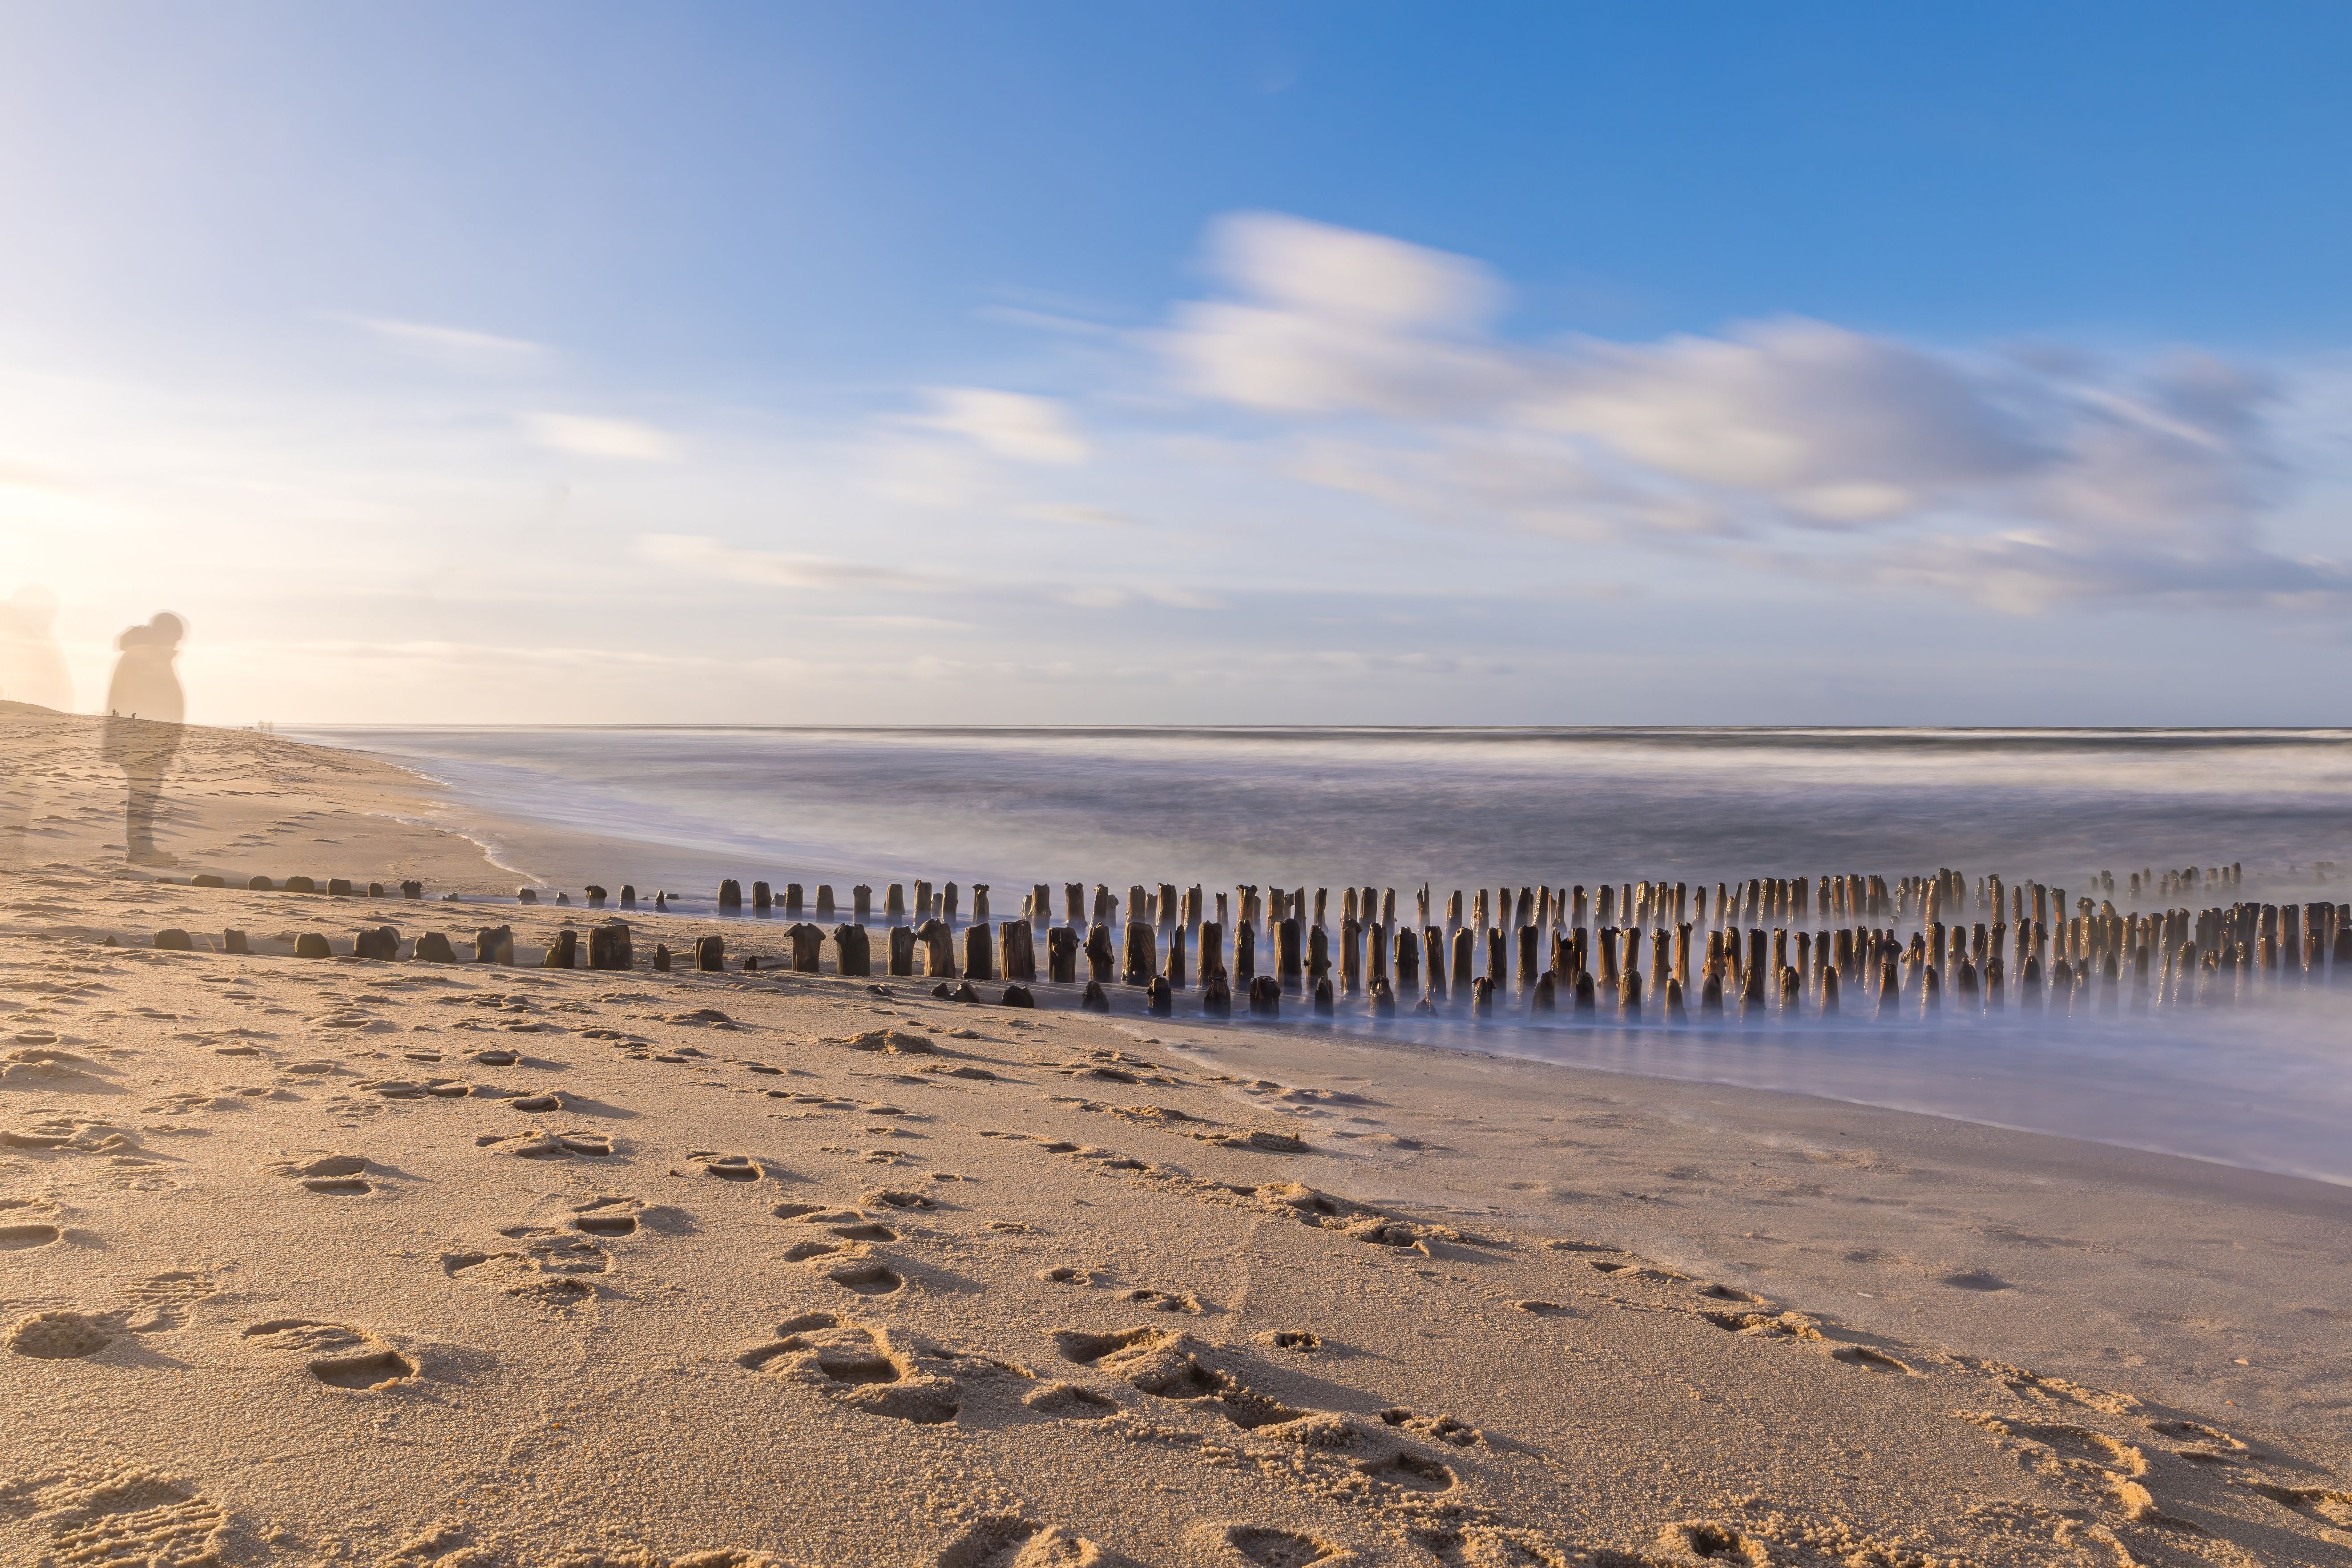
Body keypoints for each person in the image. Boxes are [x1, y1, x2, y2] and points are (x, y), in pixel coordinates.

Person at [102, 613, 187, 866]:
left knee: (144, 795)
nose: (177, 643)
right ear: (165, 634)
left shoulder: (150, 655)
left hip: (149, 739)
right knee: (142, 795)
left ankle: (142, 848)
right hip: (142, 741)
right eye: (175, 637)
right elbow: (129, 700)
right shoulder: (144, 657)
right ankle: (140, 850)